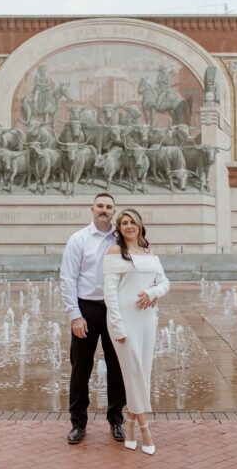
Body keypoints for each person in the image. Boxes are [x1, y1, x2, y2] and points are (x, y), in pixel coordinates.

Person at [60, 192, 127, 444]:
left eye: (109, 207)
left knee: (117, 367)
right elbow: (67, 279)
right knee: (81, 369)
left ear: (113, 211)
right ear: (92, 208)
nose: (104, 210)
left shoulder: (121, 238)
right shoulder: (78, 239)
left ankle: (116, 420)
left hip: (113, 311)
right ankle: (78, 424)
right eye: (100, 205)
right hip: (86, 309)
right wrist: (75, 316)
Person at [102, 208, 170, 455]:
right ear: (118, 229)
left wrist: (153, 293)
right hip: (122, 320)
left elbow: (164, 283)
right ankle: (145, 428)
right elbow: (109, 293)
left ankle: (129, 423)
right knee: (133, 372)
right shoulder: (113, 253)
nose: (128, 226)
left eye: (132, 222)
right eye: (124, 223)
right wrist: (118, 325)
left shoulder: (151, 253)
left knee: (143, 370)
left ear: (140, 225)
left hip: (146, 320)